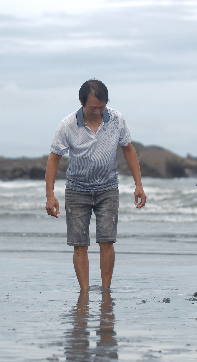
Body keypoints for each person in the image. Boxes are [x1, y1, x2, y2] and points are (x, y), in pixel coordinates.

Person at [45, 80, 147, 291]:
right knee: (79, 244)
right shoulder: (68, 124)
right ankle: (84, 292)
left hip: (108, 188)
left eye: (102, 107)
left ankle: (106, 290)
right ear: (81, 102)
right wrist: (50, 195)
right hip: (76, 190)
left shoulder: (116, 119)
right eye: (93, 108)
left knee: (107, 241)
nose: (98, 112)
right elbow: (54, 158)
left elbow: (128, 149)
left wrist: (138, 184)